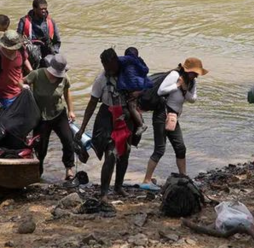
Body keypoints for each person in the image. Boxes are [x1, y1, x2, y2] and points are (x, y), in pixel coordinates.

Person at [77, 48, 136, 201]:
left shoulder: (127, 74)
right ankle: (104, 192)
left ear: (116, 62)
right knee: (110, 155)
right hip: (107, 116)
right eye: (105, 67)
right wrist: (82, 128)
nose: (108, 70)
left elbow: (140, 90)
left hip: (125, 115)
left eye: (110, 67)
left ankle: (118, 186)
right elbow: (91, 105)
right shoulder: (101, 80)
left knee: (125, 152)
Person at [141, 57, 207, 186]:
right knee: (160, 149)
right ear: (187, 70)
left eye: (197, 73)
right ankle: (146, 180)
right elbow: (161, 91)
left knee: (180, 147)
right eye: (194, 72)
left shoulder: (191, 82)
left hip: (173, 118)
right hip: (162, 115)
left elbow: (193, 99)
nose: (195, 75)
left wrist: (183, 88)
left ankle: (184, 177)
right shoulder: (174, 75)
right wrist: (176, 85)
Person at [21, 54, 76, 180]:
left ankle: (69, 169)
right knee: (41, 147)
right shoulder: (37, 74)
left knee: (68, 140)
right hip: (41, 117)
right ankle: (37, 172)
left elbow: (67, 93)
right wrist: (23, 88)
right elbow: (20, 81)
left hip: (58, 113)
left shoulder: (64, 78)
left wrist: (71, 111)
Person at [0, 30, 33, 108]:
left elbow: (25, 60)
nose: (13, 50)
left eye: (15, 48)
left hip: (21, 91)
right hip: (5, 97)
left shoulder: (21, 50)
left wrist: (31, 71)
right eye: (11, 49)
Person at [117, 47, 152, 136]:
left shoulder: (129, 59)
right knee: (133, 105)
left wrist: (113, 56)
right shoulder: (139, 62)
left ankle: (141, 125)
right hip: (140, 87)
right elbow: (146, 71)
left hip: (133, 86)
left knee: (131, 106)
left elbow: (117, 60)